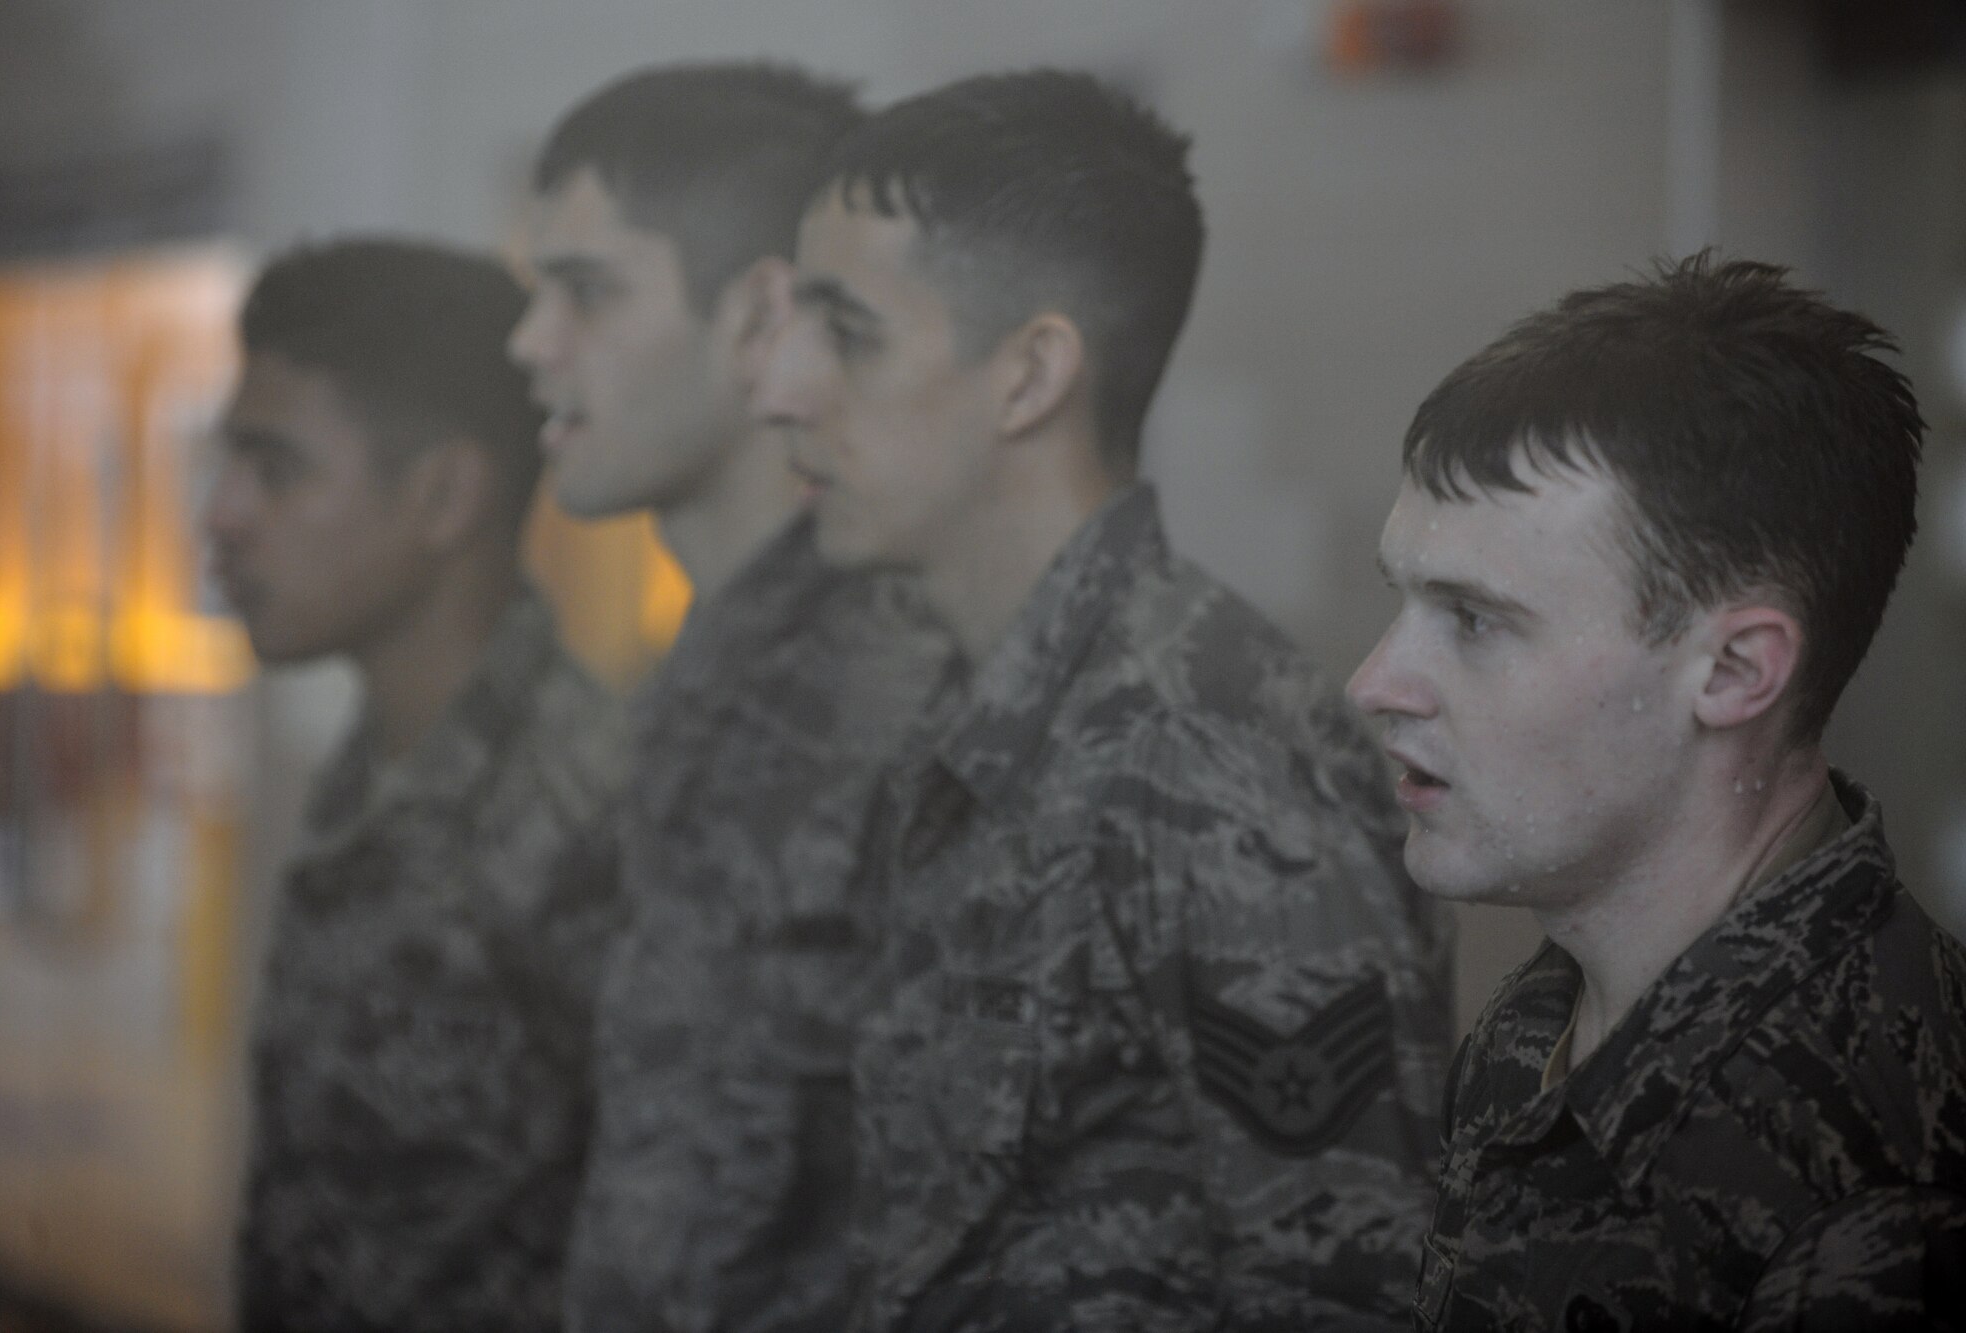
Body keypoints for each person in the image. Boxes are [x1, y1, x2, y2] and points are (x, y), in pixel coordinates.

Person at [755, 68, 1454, 1330]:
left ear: (1027, 376)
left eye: (845, 331)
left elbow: (1348, 1291)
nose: (781, 390)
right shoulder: (966, 701)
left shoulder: (1206, 752)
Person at [1346, 254, 1966, 1331]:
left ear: (1730, 672)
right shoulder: (1550, 1013)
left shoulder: (1868, 1181)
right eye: (1400, 599)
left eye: (1475, 619)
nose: (1372, 683)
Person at [507, 63, 948, 1332]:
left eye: (584, 291)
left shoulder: (902, 690)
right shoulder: (701, 679)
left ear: (762, 315)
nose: (528, 342)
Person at [207, 238, 624, 1330]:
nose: (224, 514)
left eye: (277, 467)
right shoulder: (371, 772)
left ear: (443, 495)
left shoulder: (593, 814)